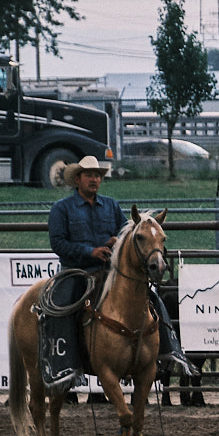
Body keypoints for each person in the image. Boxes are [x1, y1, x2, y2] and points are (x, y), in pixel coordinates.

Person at [45, 155, 188, 397]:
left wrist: (117, 241)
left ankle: (166, 352)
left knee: (152, 299)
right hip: (76, 271)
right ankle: (64, 363)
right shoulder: (62, 209)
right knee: (63, 305)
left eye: (98, 176)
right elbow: (58, 243)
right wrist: (90, 251)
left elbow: (127, 233)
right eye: (89, 175)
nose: (94, 179)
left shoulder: (110, 206)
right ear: (77, 179)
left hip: (109, 271)